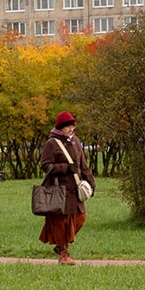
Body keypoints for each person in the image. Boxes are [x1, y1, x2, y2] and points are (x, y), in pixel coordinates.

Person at [38, 111, 95, 265]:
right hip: (59, 191)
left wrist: (91, 182)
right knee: (62, 224)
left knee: (80, 218)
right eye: (67, 127)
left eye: (72, 126)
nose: (71, 129)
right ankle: (64, 254)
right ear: (60, 128)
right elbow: (45, 165)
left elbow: (83, 165)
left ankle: (61, 247)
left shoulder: (76, 141)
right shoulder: (52, 143)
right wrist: (65, 167)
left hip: (75, 190)